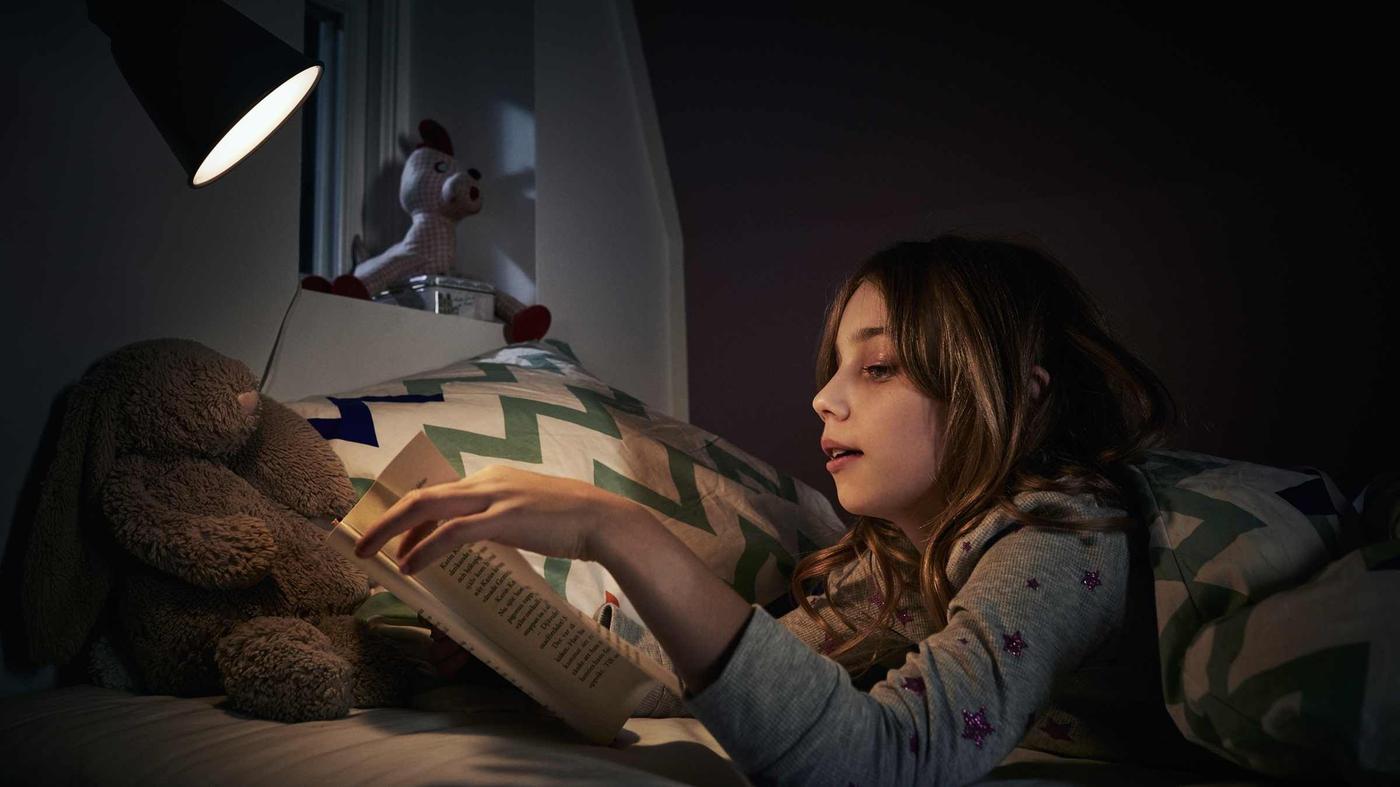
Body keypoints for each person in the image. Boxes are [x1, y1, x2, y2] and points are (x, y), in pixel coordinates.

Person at [353, 236, 1230, 785]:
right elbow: (707, 678)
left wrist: (614, 526)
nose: (823, 398)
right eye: (835, 368)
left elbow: (884, 758)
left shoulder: (1061, 534)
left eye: (878, 367)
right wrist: (511, 653)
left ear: (1022, 399)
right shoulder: (885, 561)